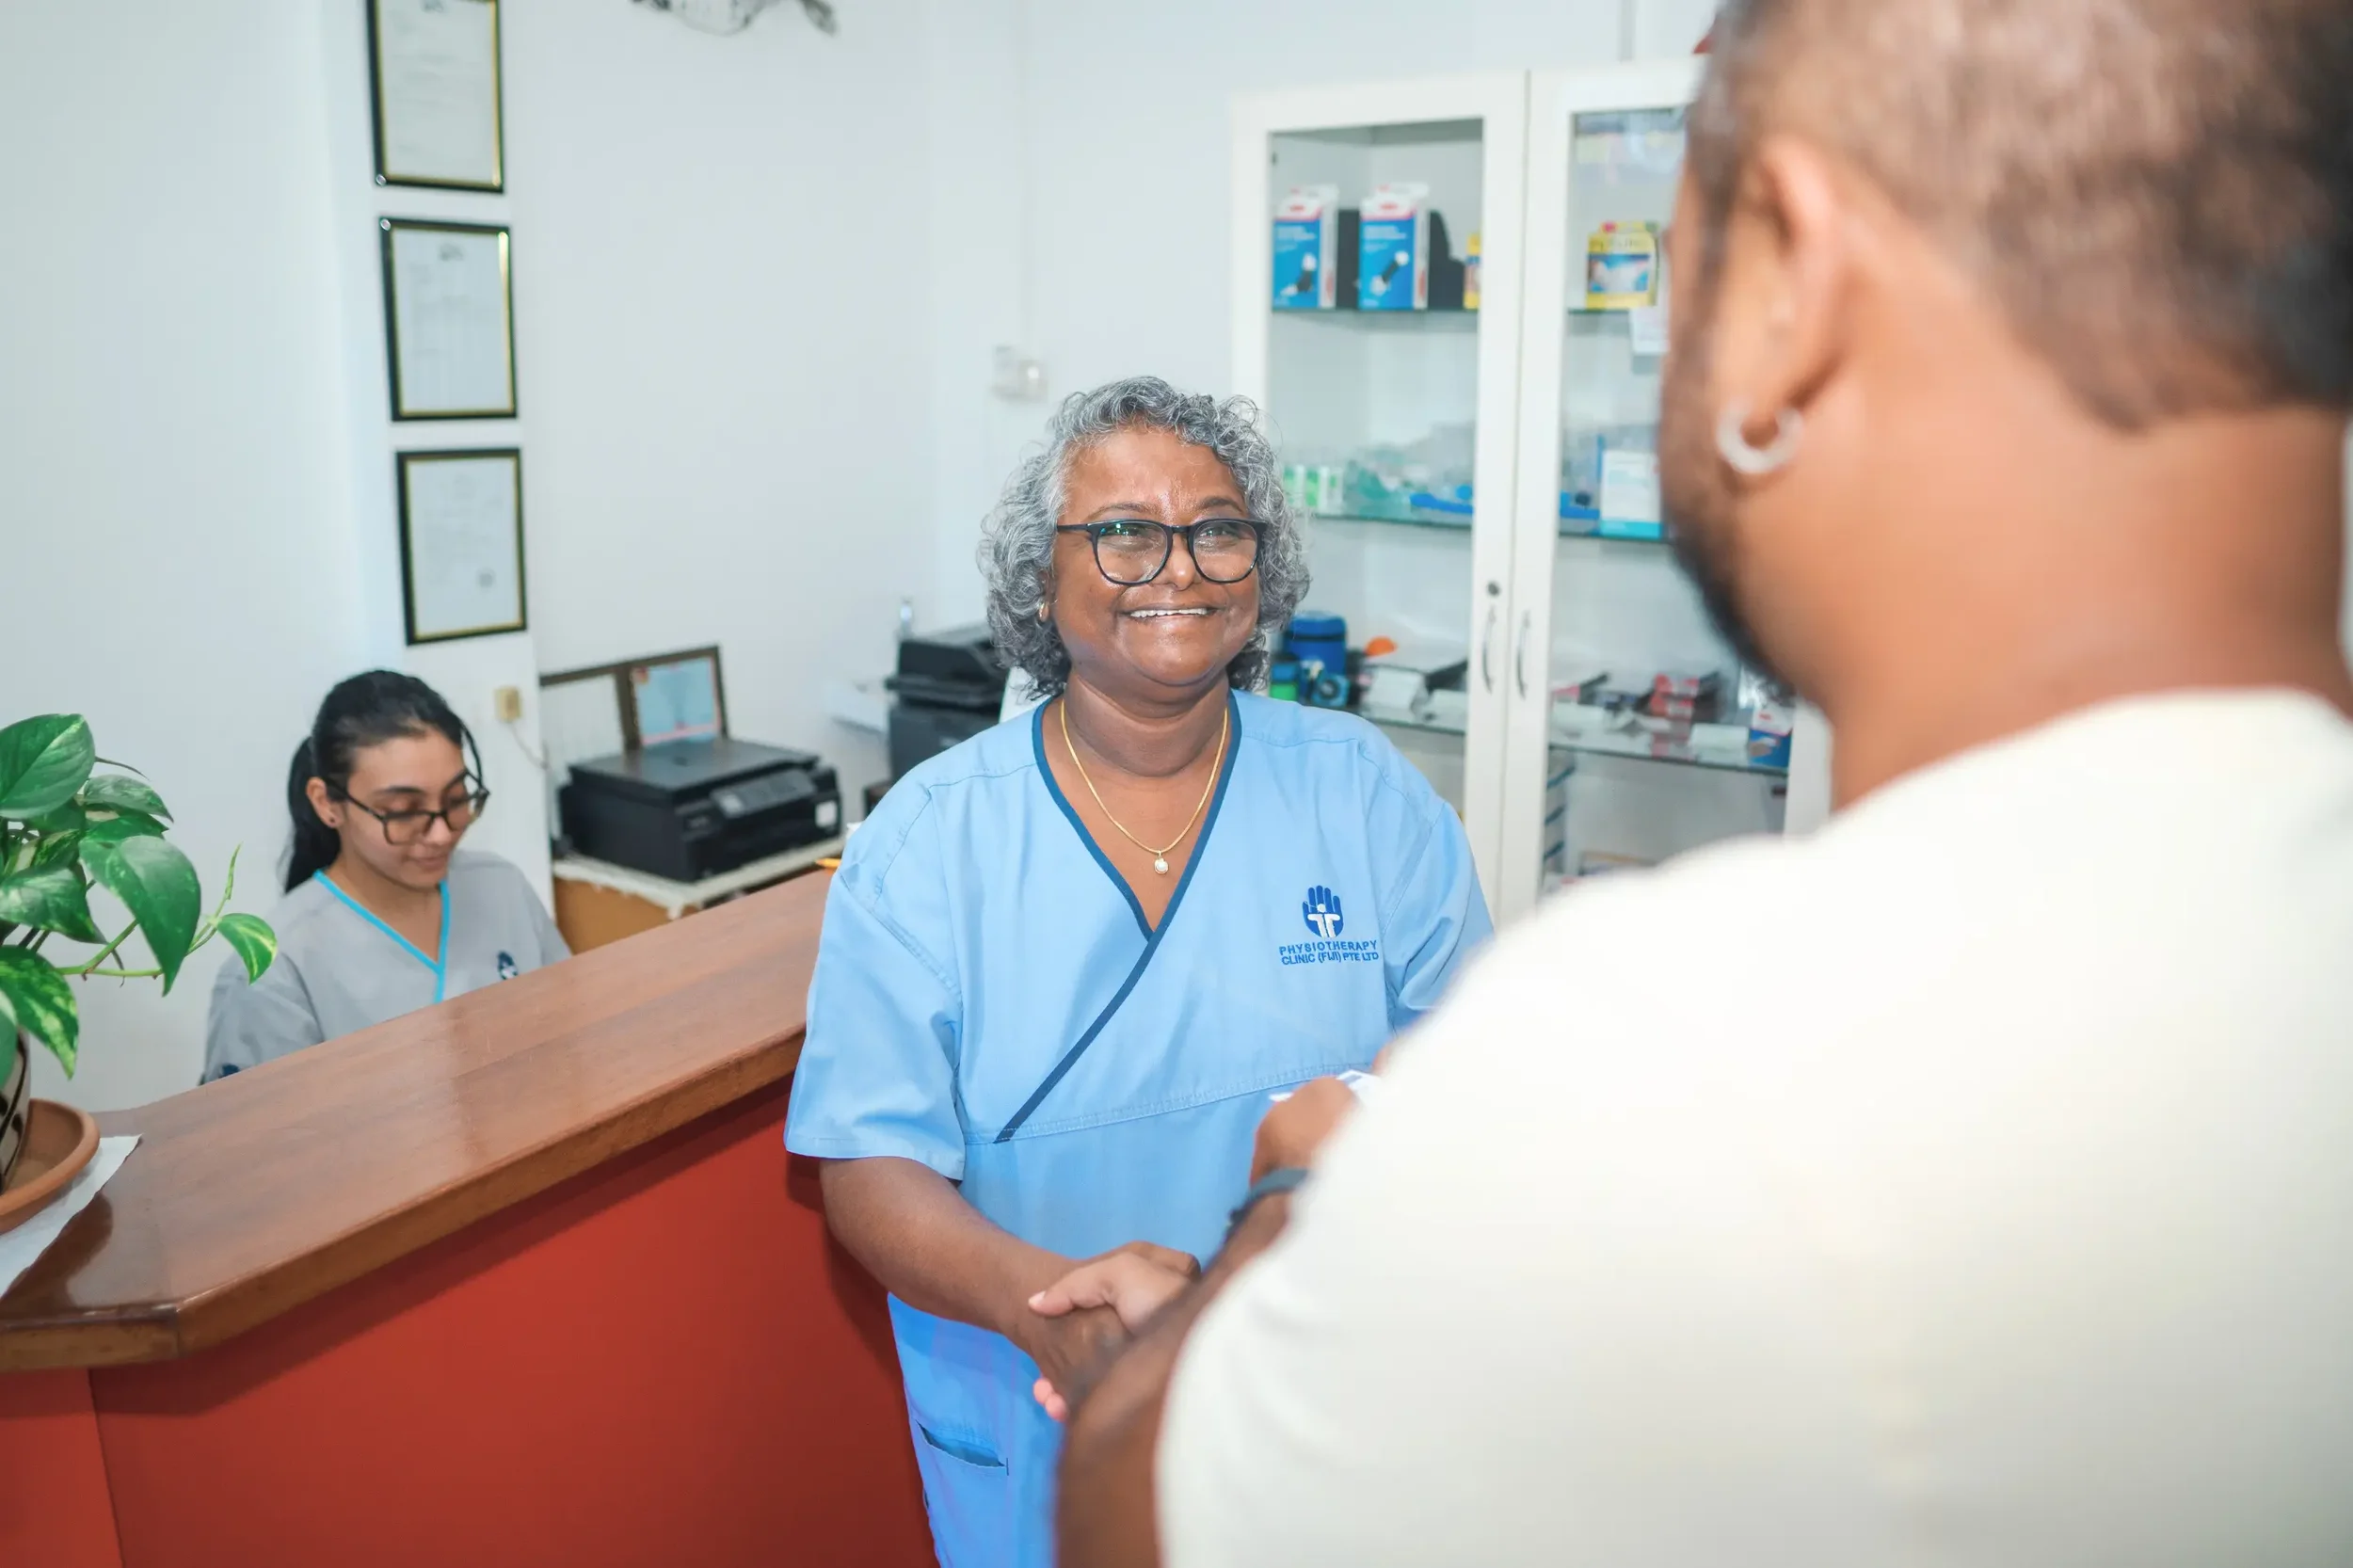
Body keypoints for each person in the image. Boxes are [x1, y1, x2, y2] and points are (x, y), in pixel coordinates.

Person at [1049, 2, 2353, 1563]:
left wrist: (1294, 1200)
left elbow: (1133, 1508)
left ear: (1794, 277)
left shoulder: (1664, 1065)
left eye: (1680, 261)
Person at [783, 376, 1491, 1567]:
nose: (1180, 567)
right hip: (1037, 1395)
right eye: (1122, 532)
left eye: (1217, 529)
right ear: (1039, 576)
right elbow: (866, 1166)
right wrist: (1041, 1305)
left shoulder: (1362, 793)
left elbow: (1470, 1076)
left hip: (1316, 1391)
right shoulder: (929, 840)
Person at [204, 671, 568, 1080]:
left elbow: (572, 1035)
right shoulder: (273, 968)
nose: (441, 833)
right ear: (327, 804)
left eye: (455, 799)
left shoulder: (502, 887)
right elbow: (264, 1122)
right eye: (402, 811)